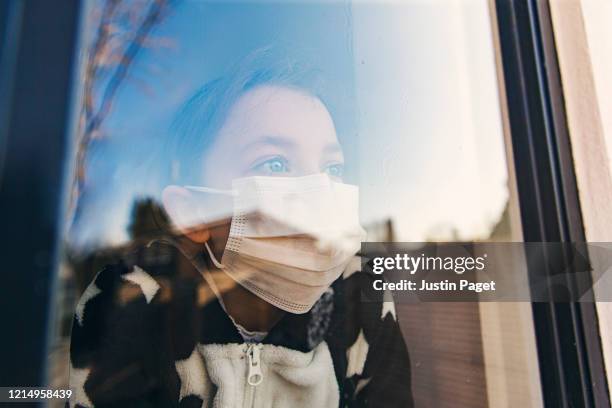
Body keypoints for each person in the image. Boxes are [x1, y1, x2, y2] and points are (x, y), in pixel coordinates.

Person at [68, 49, 414, 408]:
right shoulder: (133, 301)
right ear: (194, 213)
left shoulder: (361, 294)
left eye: (332, 168)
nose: (320, 192)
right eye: (276, 164)